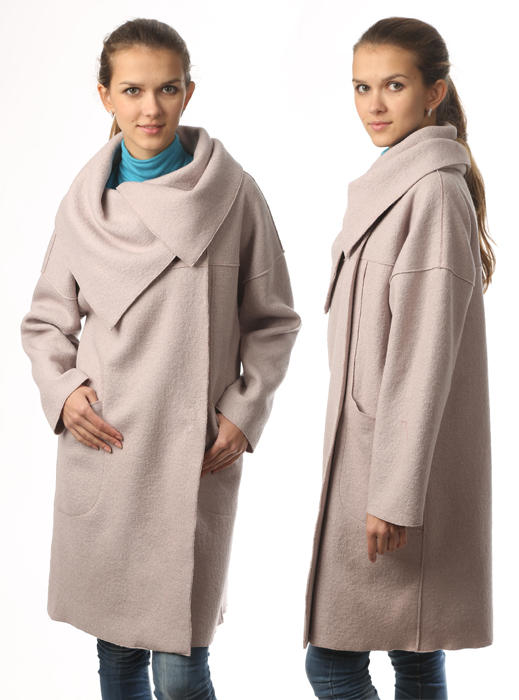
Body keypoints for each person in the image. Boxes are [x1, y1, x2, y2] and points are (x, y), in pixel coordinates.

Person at [20, 17, 301, 700]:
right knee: (116, 659)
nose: (151, 108)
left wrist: (244, 412)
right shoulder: (84, 205)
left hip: (192, 454)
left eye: (167, 89)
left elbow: (273, 320)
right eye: (132, 90)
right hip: (106, 447)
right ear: (105, 96)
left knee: (180, 669)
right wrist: (64, 392)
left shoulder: (233, 194)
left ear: (188, 92)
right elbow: (46, 320)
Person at [303, 16, 494, 700]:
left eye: (394, 85)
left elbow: (420, 359)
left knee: (333, 662)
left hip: (393, 472)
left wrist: (392, 495)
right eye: (361, 87)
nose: (374, 105)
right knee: (412, 653)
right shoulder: (395, 182)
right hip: (374, 455)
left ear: (433, 92)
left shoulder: (432, 192)